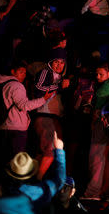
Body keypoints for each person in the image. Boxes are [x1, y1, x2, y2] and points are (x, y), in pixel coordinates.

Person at [0, 62, 53, 164]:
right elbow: (24, 105)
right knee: (16, 163)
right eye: (21, 72)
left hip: (1, 126)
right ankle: (14, 180)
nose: (24, 75)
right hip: (16, 129)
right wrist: (43, 99)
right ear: (13, 72)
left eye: (25, 73)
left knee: (3, 161)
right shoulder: (16, 85)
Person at [83, 62, 109, 200]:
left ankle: (93, 192)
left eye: (101, 74)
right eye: (97, 74)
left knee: (96, 156)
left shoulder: (106, 86)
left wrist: (94, 117)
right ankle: (106, 191)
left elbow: (97, 98)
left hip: (103, 121)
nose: (98, 77)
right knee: (107, 158)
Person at [4, 131, 66, 213]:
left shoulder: (3, 191)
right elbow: (59, 181)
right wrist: (59, 150)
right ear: (32, 172)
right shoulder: (37, 191)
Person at [32, 47, 70, 180]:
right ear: (50, 63)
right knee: (49, 150)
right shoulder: (45, 72)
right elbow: (39, 88)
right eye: (56, 62)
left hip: (54, 117)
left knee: (52, 149)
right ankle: (37, 181)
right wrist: (60, 86)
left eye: (62, 62)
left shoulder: (59, 77)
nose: (59, 65)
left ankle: (38, 178)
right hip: (44, 115)